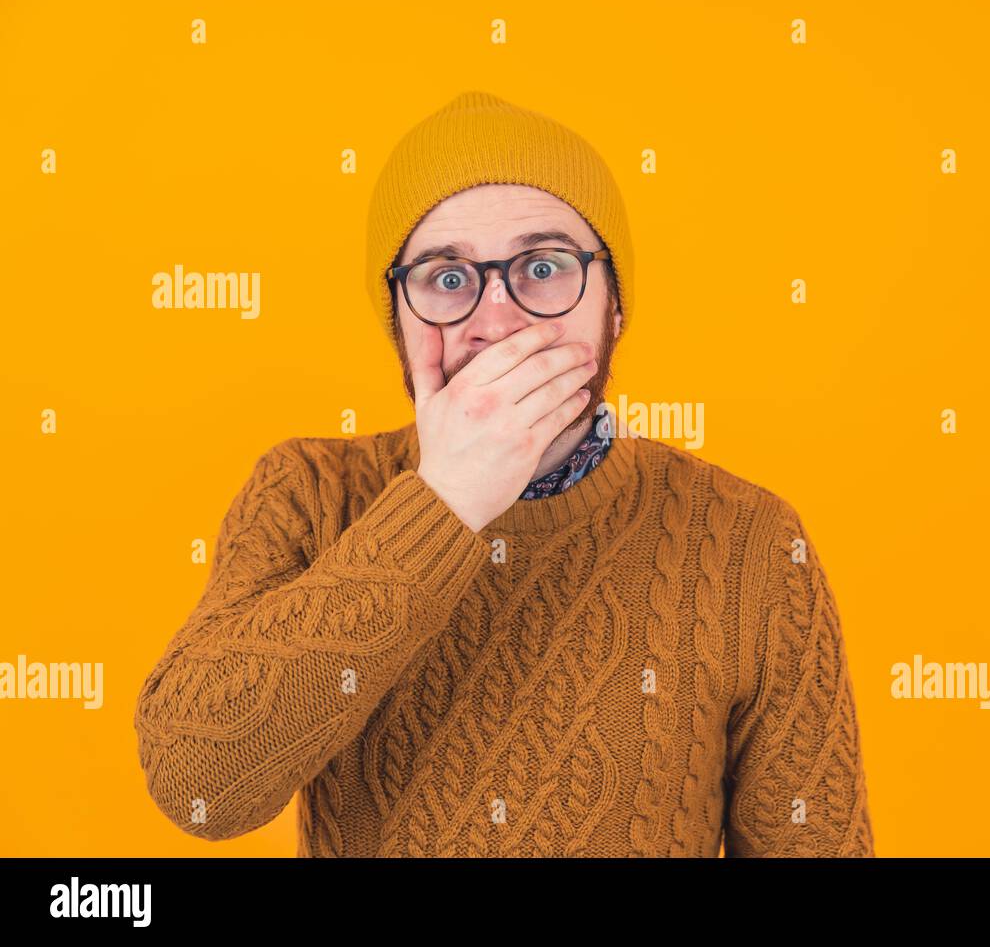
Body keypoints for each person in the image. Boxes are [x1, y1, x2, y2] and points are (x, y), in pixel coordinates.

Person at [133, 90, 876, 857]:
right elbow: (199, 788)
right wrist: (441, 504)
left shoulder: (750, 539)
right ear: (398, 318)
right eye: (447, 279)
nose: (497, 319)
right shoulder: (310, 493)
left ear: (614, 305)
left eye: (544, 267)